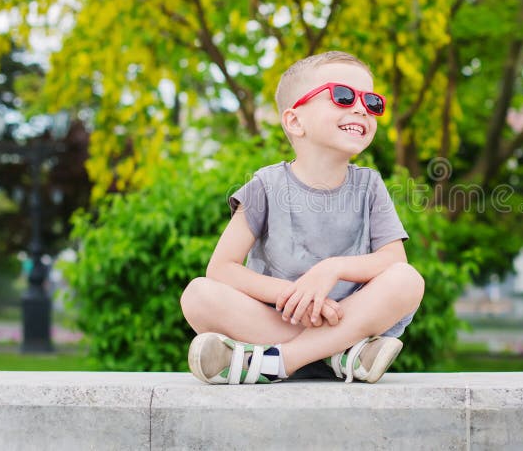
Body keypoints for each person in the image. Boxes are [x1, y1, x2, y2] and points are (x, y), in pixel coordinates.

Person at [179, 51, 425, 385]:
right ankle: (339, 355)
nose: (360, 108)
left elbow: (393, 259)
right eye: (342, 96)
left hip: (346, 318)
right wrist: (293, 294)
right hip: (288, 322)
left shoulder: (369, 185)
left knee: (406, 280)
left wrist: (331, 269)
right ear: (295, 121)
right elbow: (221, 268)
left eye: (372, 102)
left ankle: (276, 361)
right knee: (198, 295)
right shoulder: (266, 186)